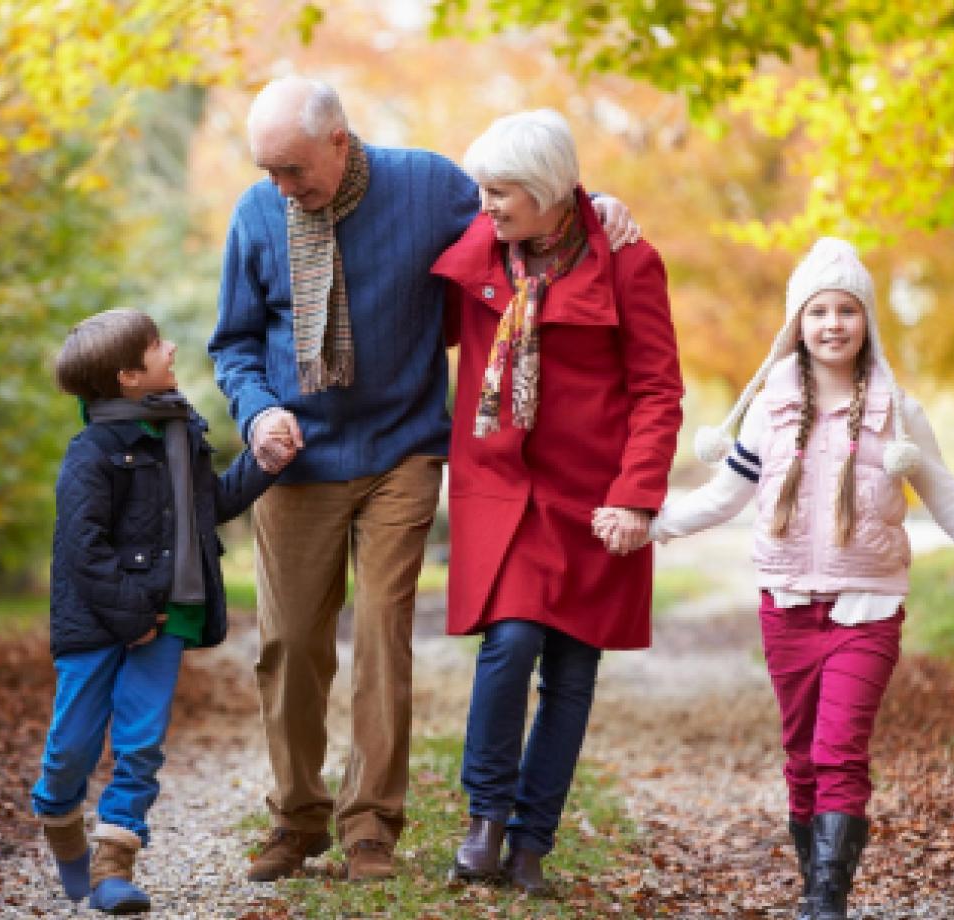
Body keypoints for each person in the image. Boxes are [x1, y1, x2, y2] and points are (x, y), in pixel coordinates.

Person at [209, 76, 638, 883]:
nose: (281, 187)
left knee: (380, 631)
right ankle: (297, 818)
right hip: (294, 456)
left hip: (402, 447)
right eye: (268, 170)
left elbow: (528, 210)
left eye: (294, 170)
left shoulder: (429, 186)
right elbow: (232, 342)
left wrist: (597, 201)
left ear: (339, 143)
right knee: (290, 644)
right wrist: (259, 410)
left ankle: (370, 825)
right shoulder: (257, 215)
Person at [598, 237, 954, 920]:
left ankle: (823, 901)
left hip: (867, 611)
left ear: (867, 321)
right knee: (801, 756)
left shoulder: (898, 413)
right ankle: (818, 879)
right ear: (796, 325)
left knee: (839, 751)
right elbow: (726, 495)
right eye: (818, 312)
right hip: (786, 607)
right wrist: (650, 523)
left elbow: (951, 500)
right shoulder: (770, 406)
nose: (832, 324)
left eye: (847, 310)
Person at [432, 109, 684, 895]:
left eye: (504, 192)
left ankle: (532, 846)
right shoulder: (480, 244)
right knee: (509, 645)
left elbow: (656, 390)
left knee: (573, 670)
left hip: (594, 496)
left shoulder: (629, 262)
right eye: (484, 189)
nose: (487, 204)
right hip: (502, 489)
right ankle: (486, 821)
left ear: (547, 194)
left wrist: (637, 497)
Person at [31, 308, 286, 914]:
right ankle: (63, 827)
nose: (170, 348)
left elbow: (208, 507)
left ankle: (115, 862)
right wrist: (132, 614)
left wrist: (264, 464)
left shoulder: (182, 433)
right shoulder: (92, 451)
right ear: (127, 376)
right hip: (98, 622)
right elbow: (81, 549)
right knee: (73, 745)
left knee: (141, 742)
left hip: (171, 615)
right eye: (154, 346)